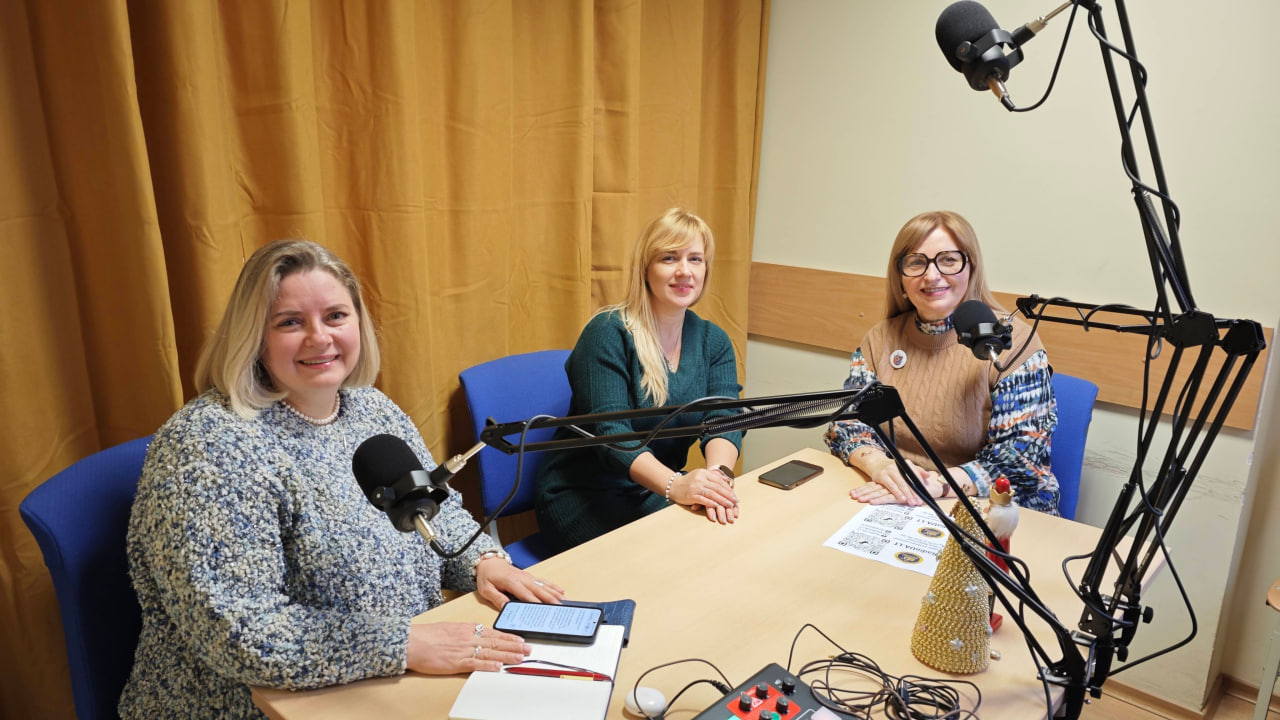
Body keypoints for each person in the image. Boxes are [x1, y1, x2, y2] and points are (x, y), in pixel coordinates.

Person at [120, 240, 564, 720]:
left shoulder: (369, 407)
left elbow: (433, 509)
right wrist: (401, 645)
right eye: (290, 322)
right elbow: (239, 632)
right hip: (253, 704)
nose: (319, 338)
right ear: (253, 336)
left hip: (389, 674)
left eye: (335, 316)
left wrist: (481, 561)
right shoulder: (209, 446)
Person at [535, 208, 744, 552]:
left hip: (656, 490)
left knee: (722, 540)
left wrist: (718, 480)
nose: (684, 271)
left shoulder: (714, 341)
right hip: (586, 495)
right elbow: (612, 433)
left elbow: (724, 418)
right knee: (682, 556)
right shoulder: (607, 332)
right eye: (669, 258)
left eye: (695, 259)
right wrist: (675, 485)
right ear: (645, 268)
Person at [824, 211, 1060, 515]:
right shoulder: (880, 338)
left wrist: (936, 485)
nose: (932, 275)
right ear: (900, 276)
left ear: (971, 267)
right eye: (916, 262)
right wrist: (880, 465)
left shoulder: (1013, 343)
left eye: (948, 260)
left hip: (998, 509)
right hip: (902, 499)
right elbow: (846, 425)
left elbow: (1018, 461)